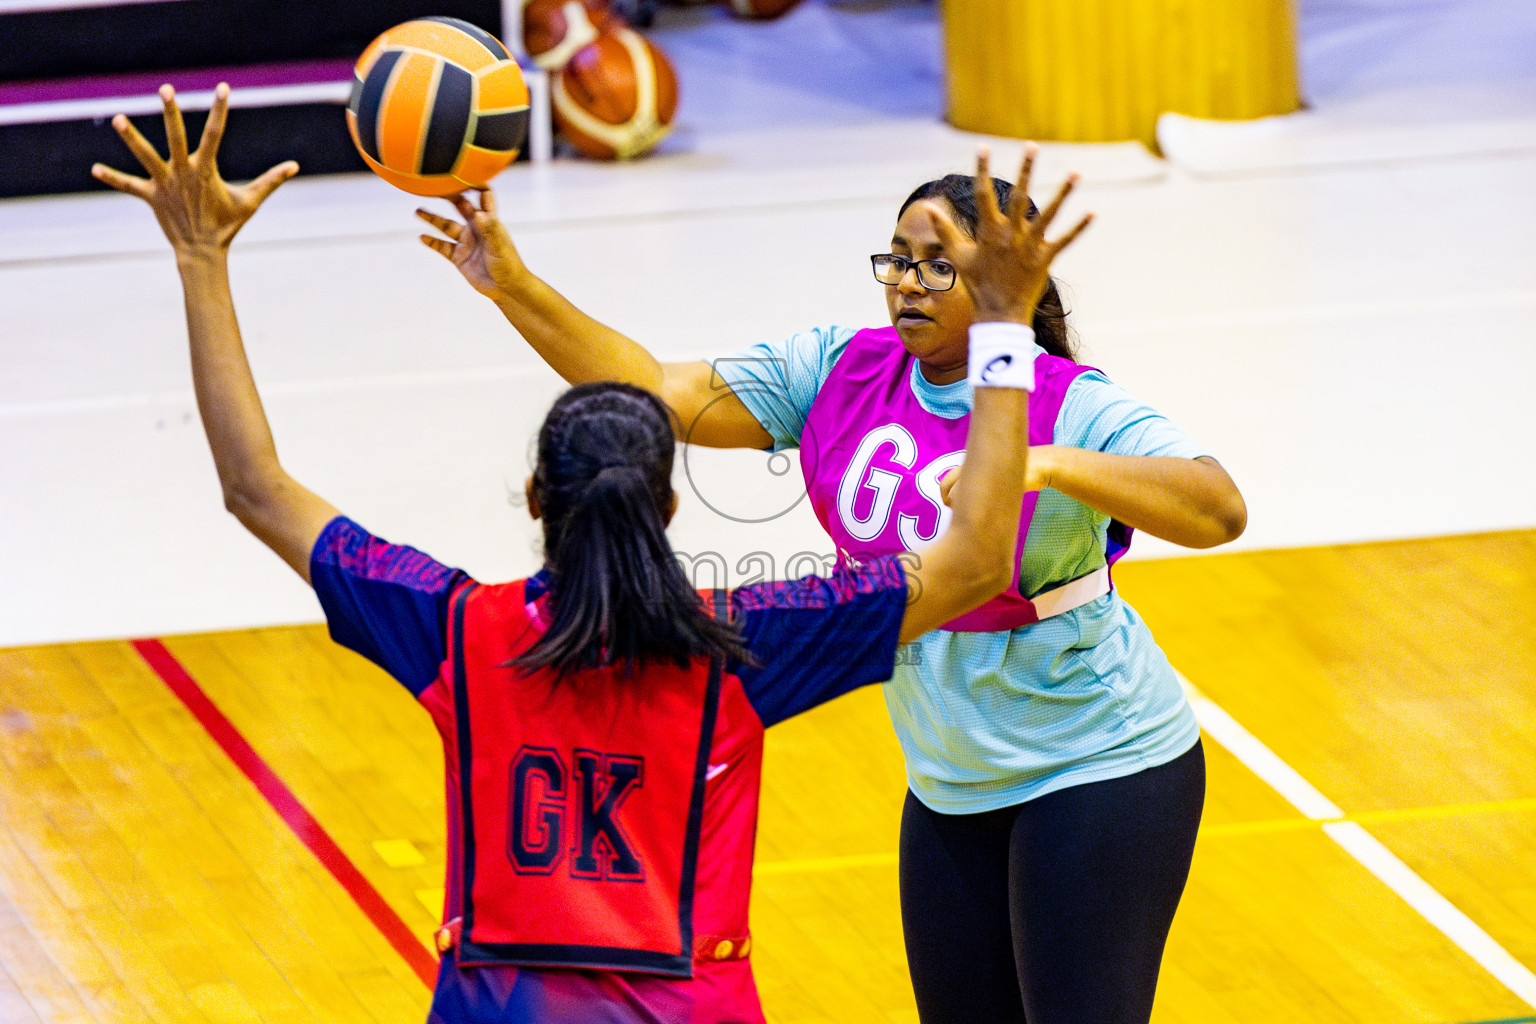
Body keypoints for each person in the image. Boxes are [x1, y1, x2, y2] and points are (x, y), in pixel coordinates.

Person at [91, 84, 1090, 1024]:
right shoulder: (742, 644)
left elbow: (256, 488)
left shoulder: (457, 630)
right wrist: (1002, 326)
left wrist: (200, 260)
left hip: (498, 1002)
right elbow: (968, 561)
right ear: (665, 504)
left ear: (535, 497)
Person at [416, 141, 1248, 1024]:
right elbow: (654, 389)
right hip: (950, 777)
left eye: (941, 267)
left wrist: (1046, 464)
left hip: (1098, 760)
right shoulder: (841, 372)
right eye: (900, 261)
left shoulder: (1066, 399)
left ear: (1007, 283)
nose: (909, 285)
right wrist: (511, 283)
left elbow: (1218, 508)